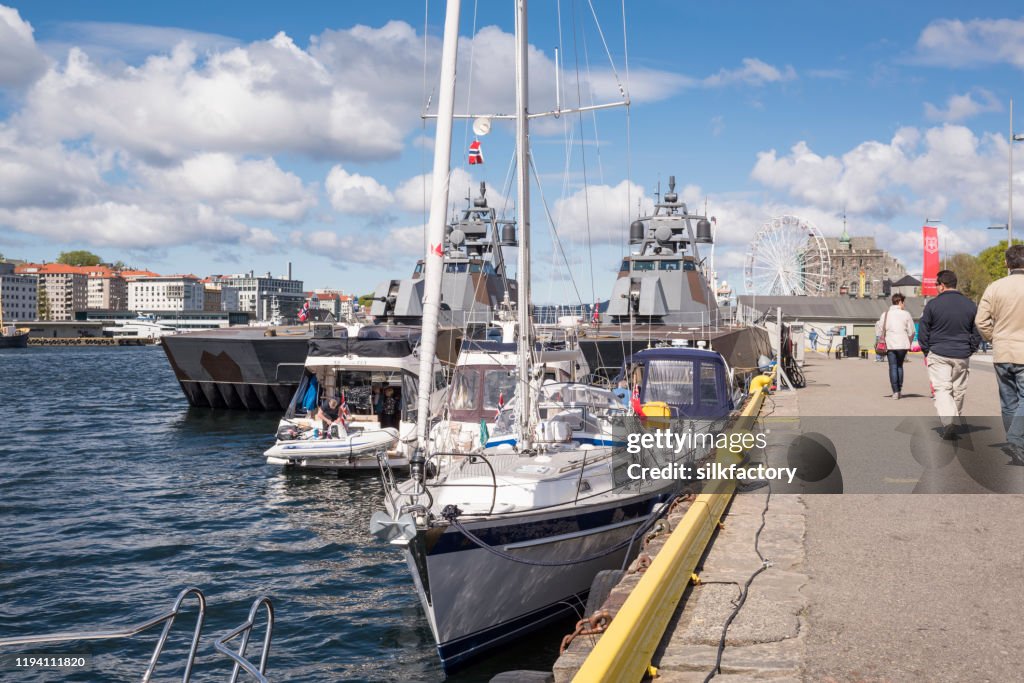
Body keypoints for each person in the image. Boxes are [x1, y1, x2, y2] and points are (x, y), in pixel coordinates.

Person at [918, 270, 981, 439]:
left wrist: (926, 350)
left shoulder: (932, 305)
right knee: (958, 389)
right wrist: (971, 349)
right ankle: (953, 418)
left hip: (938, 352)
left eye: (936, 285)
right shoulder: (970, 305)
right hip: (961, 353)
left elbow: (923, 331)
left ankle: (949, 422)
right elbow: (977, 330)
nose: (936, 288)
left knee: (942, 388)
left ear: (942, 285)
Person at [976, 244, 1024, 463]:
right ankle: (1016, 439)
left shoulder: (994, 287)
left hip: (1002, 351)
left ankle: (1015, 444)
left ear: (1007, 263)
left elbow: (981, 321)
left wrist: (992, 338)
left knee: (1008, 401)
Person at [876, 293, 916, 399]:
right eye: (903, 302)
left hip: (890, 344)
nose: (904, 305)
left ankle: (895, 392)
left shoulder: (885, 314)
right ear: (900, 302)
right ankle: (900, 389)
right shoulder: (906, 314)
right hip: (903, 345)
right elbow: (912, 331)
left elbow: (879, 329)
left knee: (892, 367)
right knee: (899, 366)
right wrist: (909, 342)